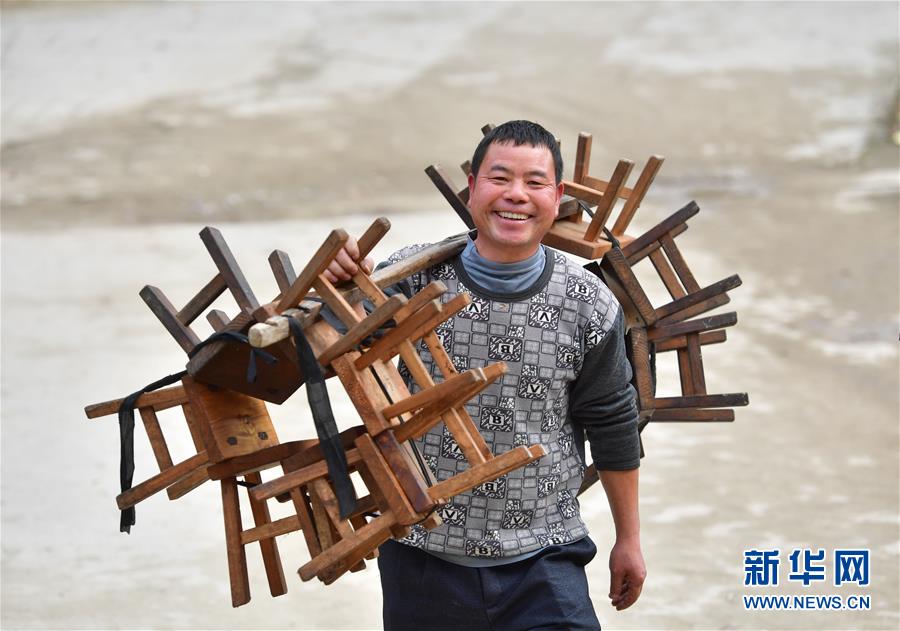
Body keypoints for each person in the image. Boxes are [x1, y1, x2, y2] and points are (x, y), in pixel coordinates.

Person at [324, 120, 644, 630]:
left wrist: (629, 539)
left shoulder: (588, 303)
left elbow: (611, 421)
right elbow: (317, 349)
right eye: (499, 178)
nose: (516, 195)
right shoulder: (408, 280)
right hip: (423, 557)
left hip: (544, 555)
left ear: (557, 196)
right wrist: (335, 283)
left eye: (535, 182)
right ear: (472, 187)